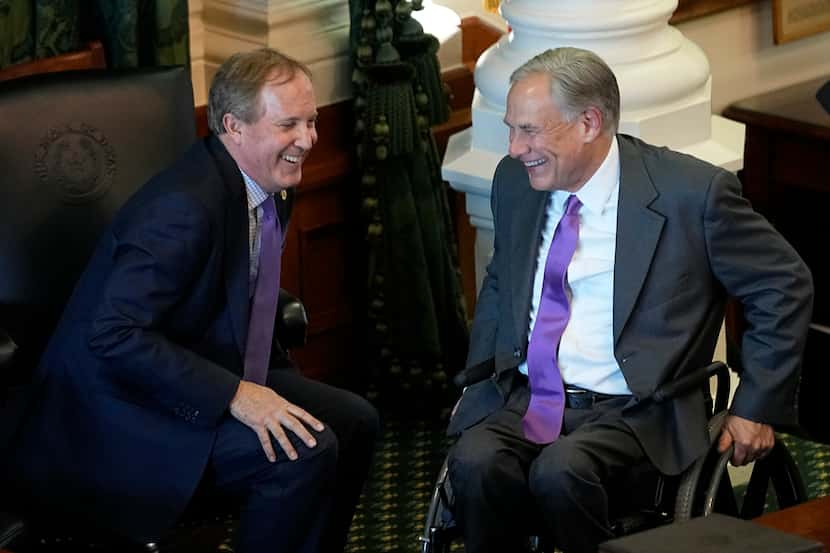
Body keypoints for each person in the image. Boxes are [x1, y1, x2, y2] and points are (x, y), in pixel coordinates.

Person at [8, 48, 379, 553]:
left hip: (209, 367)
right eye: (288, 124)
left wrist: (255, 385)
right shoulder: (182, 209)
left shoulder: (269, 181)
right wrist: (238, 395)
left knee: (356, 423)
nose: (309, 140)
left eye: (311, 121)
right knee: (302, 453)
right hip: (121, 413)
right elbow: (114, 335)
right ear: (234, 126)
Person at [445, 47, 813, 553]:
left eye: (529, 131)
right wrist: (482, 376)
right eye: (511, 129)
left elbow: (783, 283)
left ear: (589, 123)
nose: (513, 148)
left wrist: (756, 405)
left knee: (561, 472)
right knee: (474, 460)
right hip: (529, 398)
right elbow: (501, 282)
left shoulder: (691, 194)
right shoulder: (517, 183)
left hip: (638, 411)